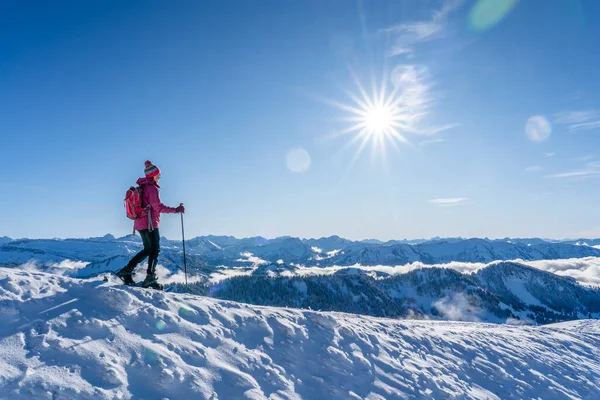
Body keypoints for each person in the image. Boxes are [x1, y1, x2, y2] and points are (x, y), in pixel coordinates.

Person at [117, 160, 185, 288]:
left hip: (139, 222)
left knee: (148, 249)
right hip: (150, 223)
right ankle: (150, 277)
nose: (159, 177)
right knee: (155, 249)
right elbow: (157, 207)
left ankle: (127, 271)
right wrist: (176, 210)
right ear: (153, 175)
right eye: (158, 174)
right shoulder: (151, 188)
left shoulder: (143, 187)